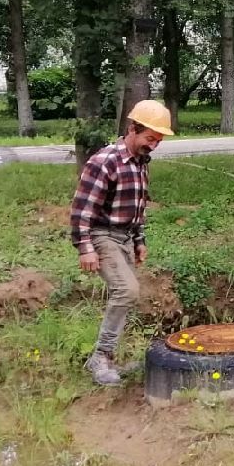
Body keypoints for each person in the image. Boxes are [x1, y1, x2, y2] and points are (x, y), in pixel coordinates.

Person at [70, 99, 174, 386]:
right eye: (149, 138)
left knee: (126, 295)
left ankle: (109, 358)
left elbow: (137, 207)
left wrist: (139, 240)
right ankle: (100, 358)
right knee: (127, 291)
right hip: (102, 236)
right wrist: (85, 247)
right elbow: (82, 209)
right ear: (131, 129)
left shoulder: (140, 164)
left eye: (158, 140)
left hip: (125, 239)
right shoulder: (105, 162)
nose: (153, 145)